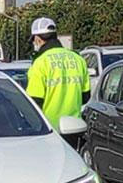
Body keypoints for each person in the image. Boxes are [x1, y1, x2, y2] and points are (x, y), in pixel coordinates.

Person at [25, 17, 90, 146]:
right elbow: (85, 97)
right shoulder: (77, 59)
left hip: (49, 131)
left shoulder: (40, 63)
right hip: (74, 129)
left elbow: (34, 102)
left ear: (37, 39)